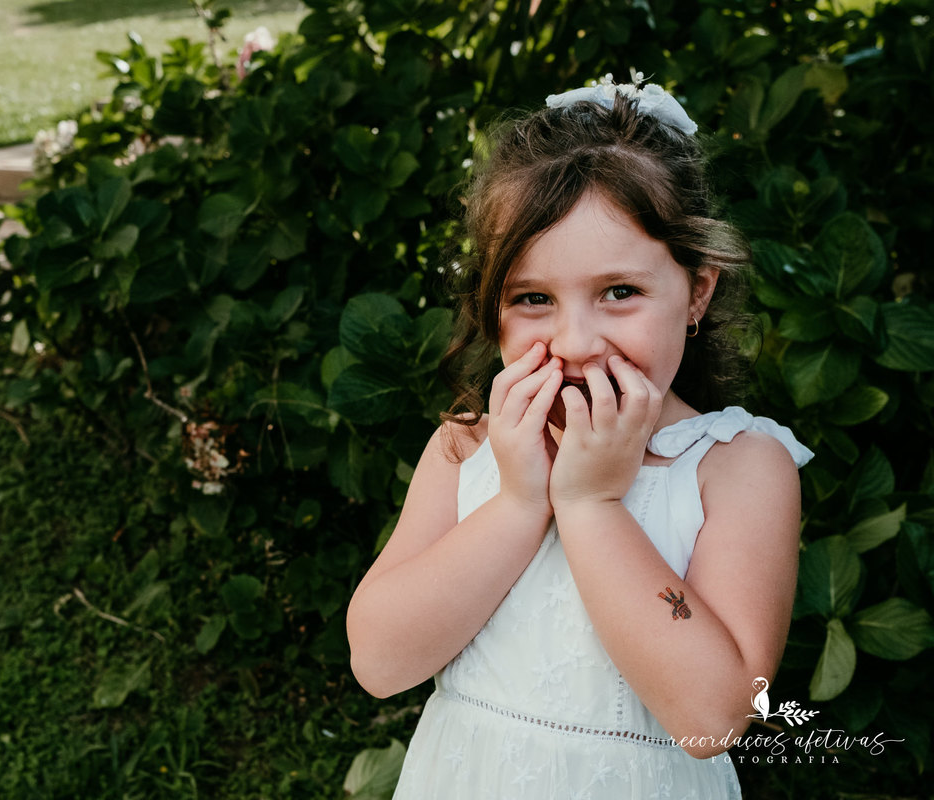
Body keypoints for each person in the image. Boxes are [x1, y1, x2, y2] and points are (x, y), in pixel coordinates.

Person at [345, 72, 814, 799]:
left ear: (696, 292)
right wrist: (519, 502)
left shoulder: (739, 467)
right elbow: (378, 660)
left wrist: (593, 506)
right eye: (533, 299)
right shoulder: (469, 449)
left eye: (619, 293)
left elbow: (711, 718)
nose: (576, 340)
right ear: (490, 306)